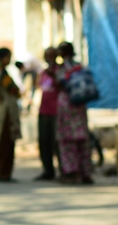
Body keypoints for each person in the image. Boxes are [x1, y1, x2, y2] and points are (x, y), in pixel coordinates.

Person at [56, 42, 94, 184]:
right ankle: (86, 173)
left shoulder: (63, 69)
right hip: (80, 107)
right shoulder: (80, 66)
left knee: (68, 142)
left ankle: (74, 173)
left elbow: (58, 84)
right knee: (83, 141)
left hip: (66, 105)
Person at [0, 48, 21, 182]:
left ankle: (3, 172)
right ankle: (4, 172)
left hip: (4, 110)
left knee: (4, 144)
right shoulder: (2, 74)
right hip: (6, 112)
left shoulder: (0, 72)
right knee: (6, 143)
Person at [35, 47, 61, 181]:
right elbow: (38, 89)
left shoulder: (59, 71)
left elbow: (62, 86)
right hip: (43, 111)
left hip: (56, 112)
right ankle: (47, 170)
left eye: (51, 56)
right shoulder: (43, 73)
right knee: (44, 142)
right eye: (47, 56)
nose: (48, 59)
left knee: (57, 142)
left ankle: (63, 170)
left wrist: (54, 75)